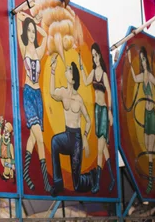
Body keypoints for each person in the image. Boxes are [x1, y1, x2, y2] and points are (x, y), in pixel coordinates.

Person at [48, 53, 96, 196]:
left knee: (77, 185)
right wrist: (52, 70)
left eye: (69, 69)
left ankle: (91, 177)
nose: (66, 70)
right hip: (67, 135)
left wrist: (85, 136)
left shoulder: (79, 100)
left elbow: (88, 120)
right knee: (55, 141)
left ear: (73, 77)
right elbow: (51, 93)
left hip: (76, 140)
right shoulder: (63, 92)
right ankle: (58, 184)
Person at [16, 10, 50, 191]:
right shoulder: (23, 47)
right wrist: (24, 19)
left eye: (32, 31)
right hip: (28, 93)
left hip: (39, 96)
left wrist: (35, 25)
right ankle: (46, 181)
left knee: (33, 137)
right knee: (40, 137)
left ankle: (26, 173)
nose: (30, 34)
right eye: (28, 31)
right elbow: (16, 19)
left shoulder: (39, 50)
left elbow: (45, 35)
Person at [79, 43, 115, 192]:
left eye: (96, 55)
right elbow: (86, 81)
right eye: (92, 56)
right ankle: (112, 179)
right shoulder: (93, 73)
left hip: (103, 110)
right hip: (96, 111)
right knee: (104, 149)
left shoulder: (104, 74)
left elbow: (109, 92)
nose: (94, 58)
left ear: (100, 55)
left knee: (100, 147)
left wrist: (110, 111)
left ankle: (97, 183)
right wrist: (81, 65)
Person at [127, 46, 155, 194]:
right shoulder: (141, 76)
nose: (143, 61)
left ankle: (150, 179)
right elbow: (135, 78)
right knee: (148, 146)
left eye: (144, 59)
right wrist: (129, 61)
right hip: (146, 114)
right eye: (141, 59)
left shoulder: (150, 76)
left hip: (152, 113)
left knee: (149, 148)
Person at [0, 116, 15, 181]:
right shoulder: (2, 139)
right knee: (5, 166)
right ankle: (10, 172)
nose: (5, 132)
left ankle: (8, 173)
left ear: (9, 133)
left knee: (7, 168)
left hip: (8, 159)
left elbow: (12, 156)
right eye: (4, 130)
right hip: (2, 157)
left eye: (7, 131)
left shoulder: (10, 145)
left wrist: (12, 164)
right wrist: (0, 123)